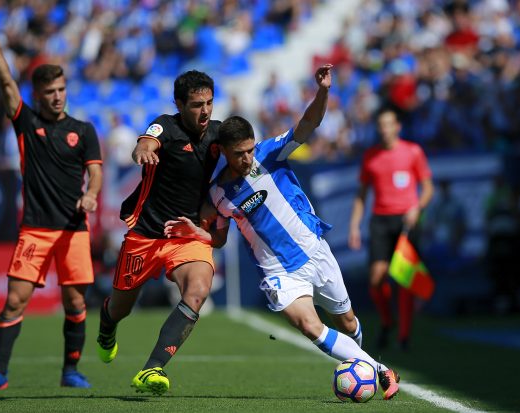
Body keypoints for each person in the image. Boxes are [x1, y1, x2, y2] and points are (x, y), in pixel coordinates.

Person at [164, 64, 400, 401]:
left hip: (314, 250)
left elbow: (309, 124)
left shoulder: (271, 154)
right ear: (225, 154)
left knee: (347, 322)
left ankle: (362, 365)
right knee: (309, 326)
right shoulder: (218, 195)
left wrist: (323, 91)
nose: (247, 159)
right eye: (238, 154)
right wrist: (194, 231)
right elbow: (217, 239)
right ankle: (380, 371)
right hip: (278, 271)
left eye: (249, 150)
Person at [0, 7, 103, 390]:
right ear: (38, 95)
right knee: (14, 301)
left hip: (74, 230)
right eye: (50, 92)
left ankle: (70, 370)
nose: (57, 97)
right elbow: (7, 82)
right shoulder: (27, 123)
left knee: (76, 304)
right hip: (36, 230)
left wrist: (91, 195)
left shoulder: (83, 130)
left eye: (61, 90)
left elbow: (95, 171)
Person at [96, 69, 222, 396]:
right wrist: (142, 150)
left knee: (197, 291)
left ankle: (152, 368)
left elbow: (248, 150)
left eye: (209, 103)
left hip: (187, 235)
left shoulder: (218, 134)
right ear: (179, 104)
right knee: (120, 308)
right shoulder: (166, 124)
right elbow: (145, 142)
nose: (205, 110)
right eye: (197, 105)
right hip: (146, 235)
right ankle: (107, 326)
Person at [348, 107, 433, 351]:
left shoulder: (413, 152)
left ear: (398, 126)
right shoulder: (371, 157)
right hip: (381, 220)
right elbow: (361, 195)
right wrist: (354, 225)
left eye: (388, 124)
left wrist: (417, 208)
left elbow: (427, 188)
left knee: (404, 279)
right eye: (380, 125)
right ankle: (388, 321)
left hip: (407, 220)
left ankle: (404, 337)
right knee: (376, 278)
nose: (384, 129)